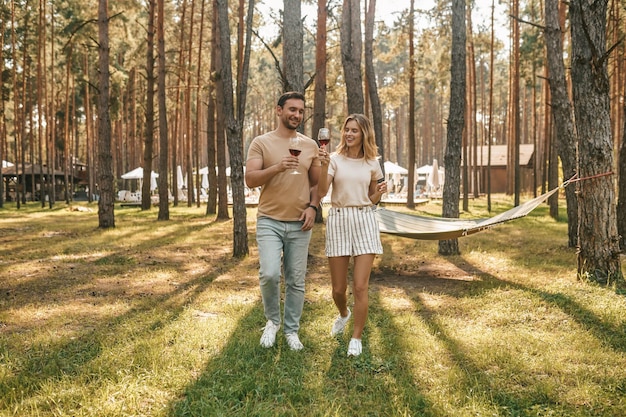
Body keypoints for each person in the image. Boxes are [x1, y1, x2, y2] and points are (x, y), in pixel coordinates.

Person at [245, 91, 321, 351]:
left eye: (300, 111)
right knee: (269, 273)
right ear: (279, 111)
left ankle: (291, 330)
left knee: (296, 280)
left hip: (300, 222)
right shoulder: (261, 142)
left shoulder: (310, 145)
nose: (296, 115)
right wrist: (277, 167)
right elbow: (251, 179)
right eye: (292, 110)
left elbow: (316, 184)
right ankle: (272, 322)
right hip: (269, 220)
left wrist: (313, 207)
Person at [317, 114, 387, 357]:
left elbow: (372, 198)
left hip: (365, 220)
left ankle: (356, 337)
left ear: (363, 134)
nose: (348, 134)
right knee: (338, 289)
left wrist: (379, 193)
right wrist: (323, 164)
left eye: (354, 131)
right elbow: (322, 191)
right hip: (338, 220)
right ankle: (344, 314)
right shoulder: (334, 159)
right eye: (346, 129)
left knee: (360, 286)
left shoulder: (372, 163)